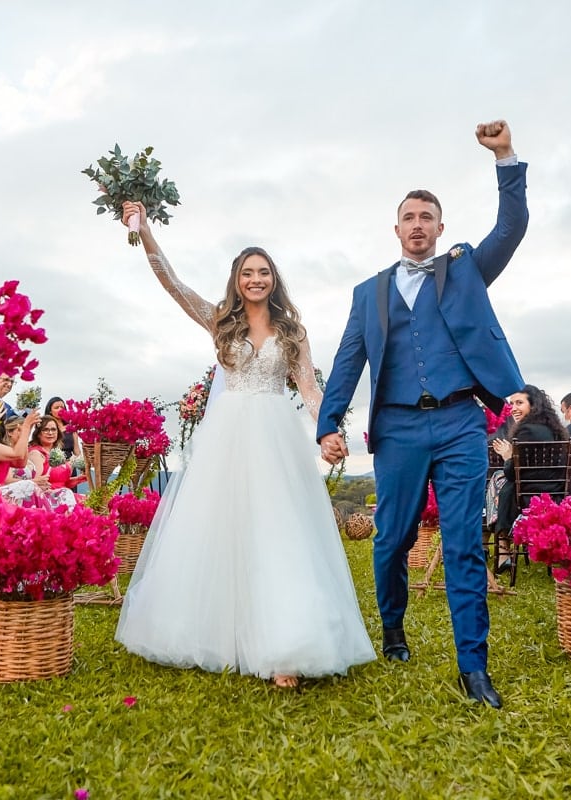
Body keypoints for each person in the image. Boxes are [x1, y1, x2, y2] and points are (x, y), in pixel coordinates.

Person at [112, 200, 374, 689]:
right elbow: (171, 282)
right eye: (248, 273)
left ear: (274, 280)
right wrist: (144, 230)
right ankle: (218, 630)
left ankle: (285, 645)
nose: (256, 279)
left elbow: (311, 389)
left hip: (275, 434)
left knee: (279, 530)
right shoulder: (218, 321)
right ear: (237, 279)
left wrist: (329, 430)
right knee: (219, 530)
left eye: (264, 272)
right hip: (227, 436)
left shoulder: (292, 331)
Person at [317, 119, 529, 708]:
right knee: (393, 539)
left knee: (463, 542)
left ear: (440, 228)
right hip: (398, 428)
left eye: (427, 218)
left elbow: (510, 229)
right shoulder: (369, 292)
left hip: (462, 422)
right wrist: (328, 422)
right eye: (409, 217)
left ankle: (473, 668)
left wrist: (505, 157)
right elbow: (347, 360)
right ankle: (392, 627)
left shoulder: (464, 270)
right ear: (397, 228)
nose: (417, 226)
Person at [491, 385, 569, 571]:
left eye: (519, 403)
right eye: (511, 404)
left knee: (497, 479)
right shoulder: (554, 429)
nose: (514, 408)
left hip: (528, 495)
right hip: (556, 492)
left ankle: (501, 547)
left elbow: (513, 473)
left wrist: (508, 456)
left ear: (533, 405)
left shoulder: (525, 431)